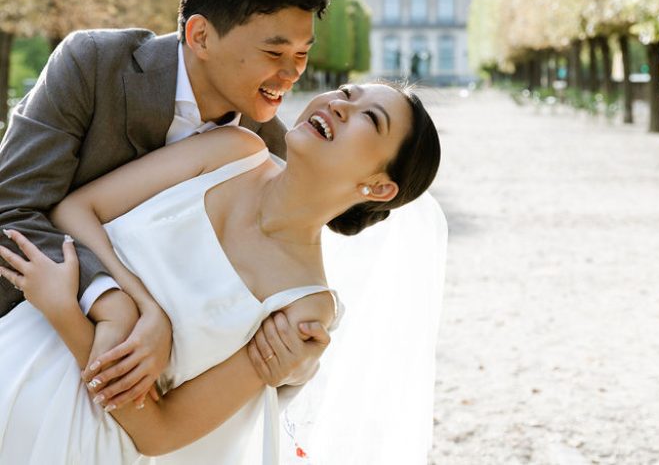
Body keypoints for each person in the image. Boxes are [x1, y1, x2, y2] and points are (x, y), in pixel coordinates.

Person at [0, 82, 442, 463]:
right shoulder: (232, 150)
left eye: (371, 117)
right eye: (347, 92)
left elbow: (161, 429)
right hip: (12, 357)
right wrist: (141, 307)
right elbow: (76, 209)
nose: (339, 104)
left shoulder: (303, 308)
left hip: (76, 445)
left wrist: (65, 313)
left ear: (379, 187)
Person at [0, 0, 332, 405]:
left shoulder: (272, 149)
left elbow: (276, 290)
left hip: (157, 398)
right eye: (275, 54)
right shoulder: (93, 65)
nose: (292, 73)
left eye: (302, 55)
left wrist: (297, 365)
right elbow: (10, 211)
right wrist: (116, 300)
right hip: (27, 347)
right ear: (200, 36)